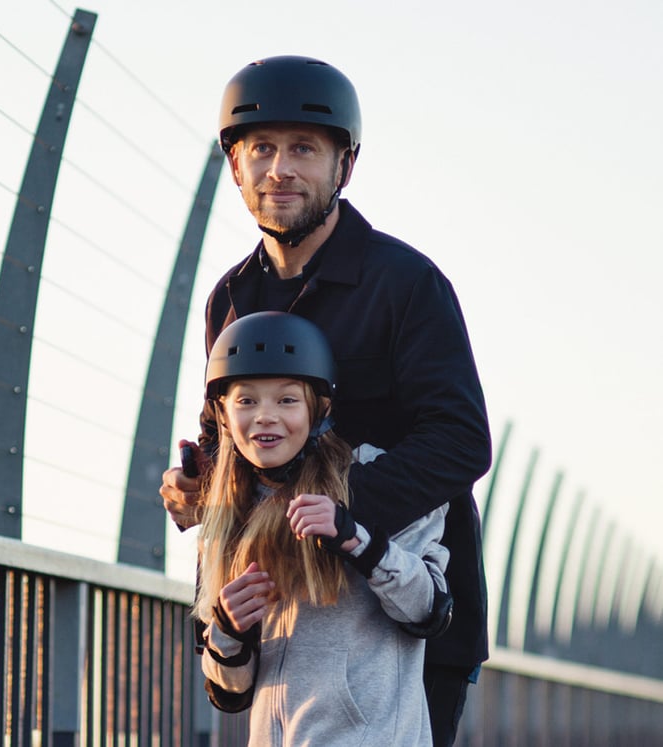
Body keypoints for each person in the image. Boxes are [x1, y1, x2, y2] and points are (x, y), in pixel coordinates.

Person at [161, 55, 491, 747]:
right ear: (235, 166)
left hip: (404, 613)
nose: (280, 168)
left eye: (303, 149)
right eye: (261, 149)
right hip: (284, 624)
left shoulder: (405, 282)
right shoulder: (229, 296)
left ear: (343, 165)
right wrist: (199, 487)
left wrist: (331, 516)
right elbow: (224, 433)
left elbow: (460, 439)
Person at [196, 310, 451, 746]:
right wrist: (227, 629)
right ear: (223, 412)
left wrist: (358, 542)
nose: (265, 416)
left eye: (287, 400)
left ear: (320, 409)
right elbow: (230, 692)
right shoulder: (227, 512)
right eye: (246, 400)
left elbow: (431, 609)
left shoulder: (375, 477)